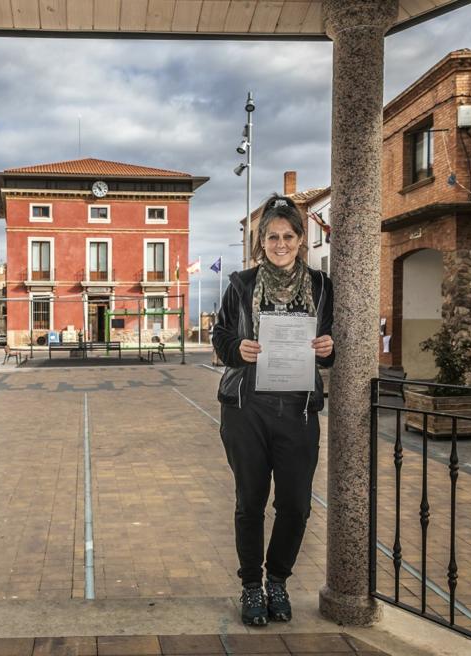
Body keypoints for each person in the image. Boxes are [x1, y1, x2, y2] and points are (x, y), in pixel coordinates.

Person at [211, 194, 335, 626]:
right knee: (250, 502)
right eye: (272, 237)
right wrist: (237, 349)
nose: (280, 243)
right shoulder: (242, 285)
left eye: (288, 236)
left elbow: (332, 344)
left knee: (296, 504)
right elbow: (221, 337)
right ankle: (251, 587)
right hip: (247, 409)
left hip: (298, 411)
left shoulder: (321, 286)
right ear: (261, 242)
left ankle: (277, 580)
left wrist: (327, 347)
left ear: (301, 240)